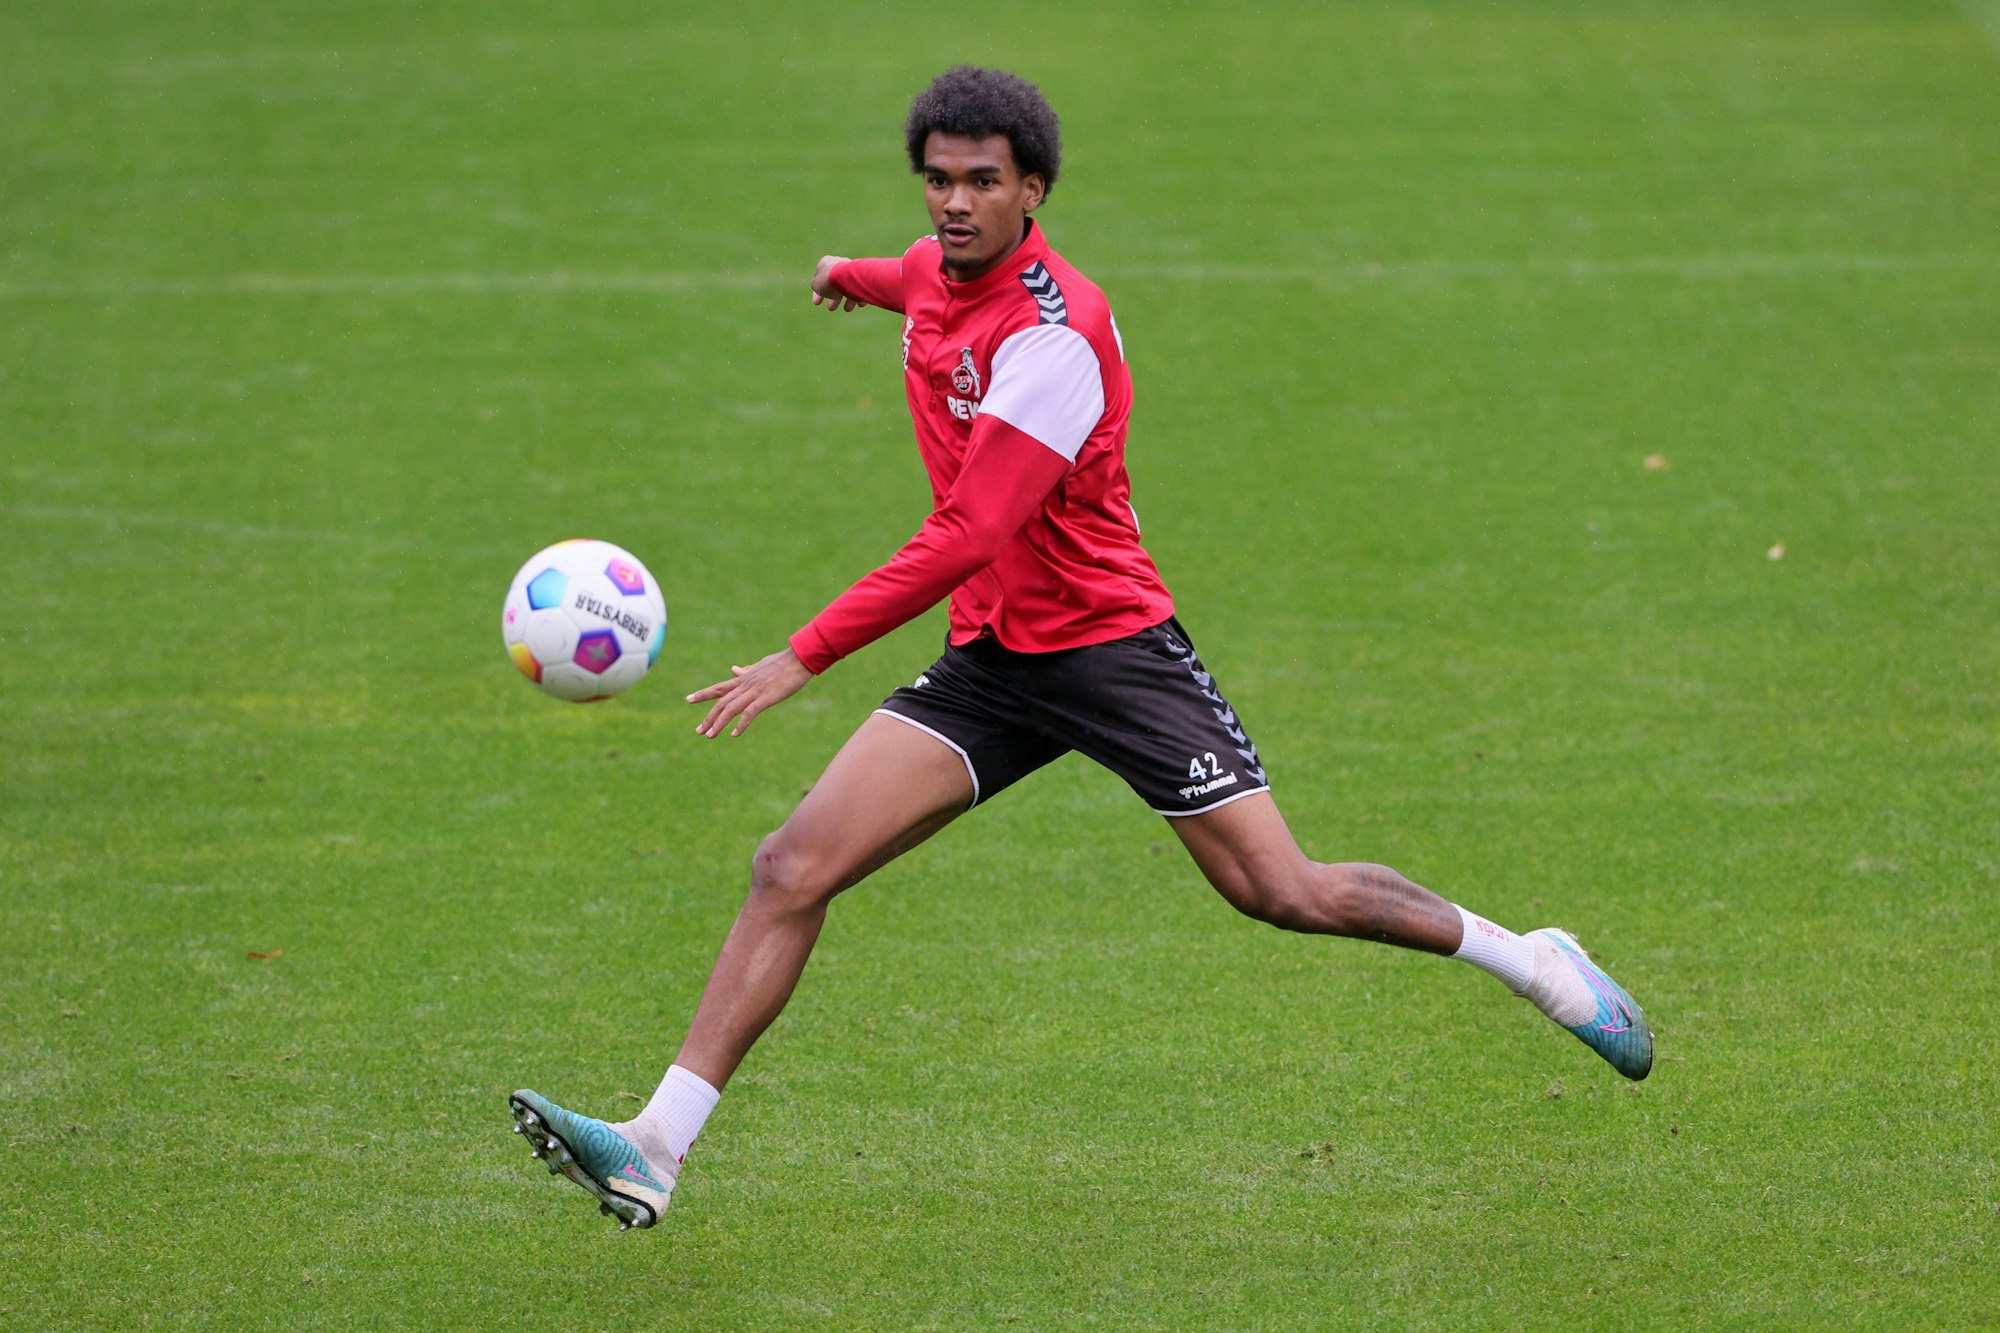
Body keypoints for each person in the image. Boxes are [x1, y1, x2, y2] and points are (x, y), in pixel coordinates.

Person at [509, 65, 1653, 1231]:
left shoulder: (1056, 338)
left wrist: (802, 654)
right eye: (937, 181)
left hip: (1111, 652)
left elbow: (969, 532)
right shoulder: (932, 266)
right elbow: (907, 280)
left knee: (1281, 890)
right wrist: (839, 276)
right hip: (991, 661)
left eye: (981, 182)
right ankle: (655, 1145)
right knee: (790, 867)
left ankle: (1531, 959)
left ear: (1033, 190)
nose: (954, 203)